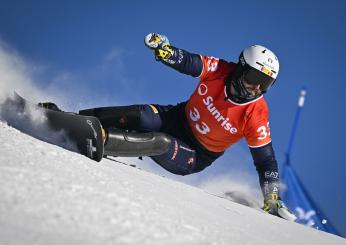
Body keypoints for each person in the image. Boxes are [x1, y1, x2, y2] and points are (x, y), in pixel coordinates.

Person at [42, 33, 296, 221]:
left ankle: (101, 138)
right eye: (254, 79)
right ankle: (72, 118)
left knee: (160, 142)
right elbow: (190, 62)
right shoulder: (221, 70)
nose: (256, 88)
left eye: (265, 84)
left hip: (195, 154)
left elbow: (266, 161)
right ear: (240, 69)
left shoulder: (256, 113)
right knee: (141, 115)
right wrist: (165, 50)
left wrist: (271, 197)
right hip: (177, 117)